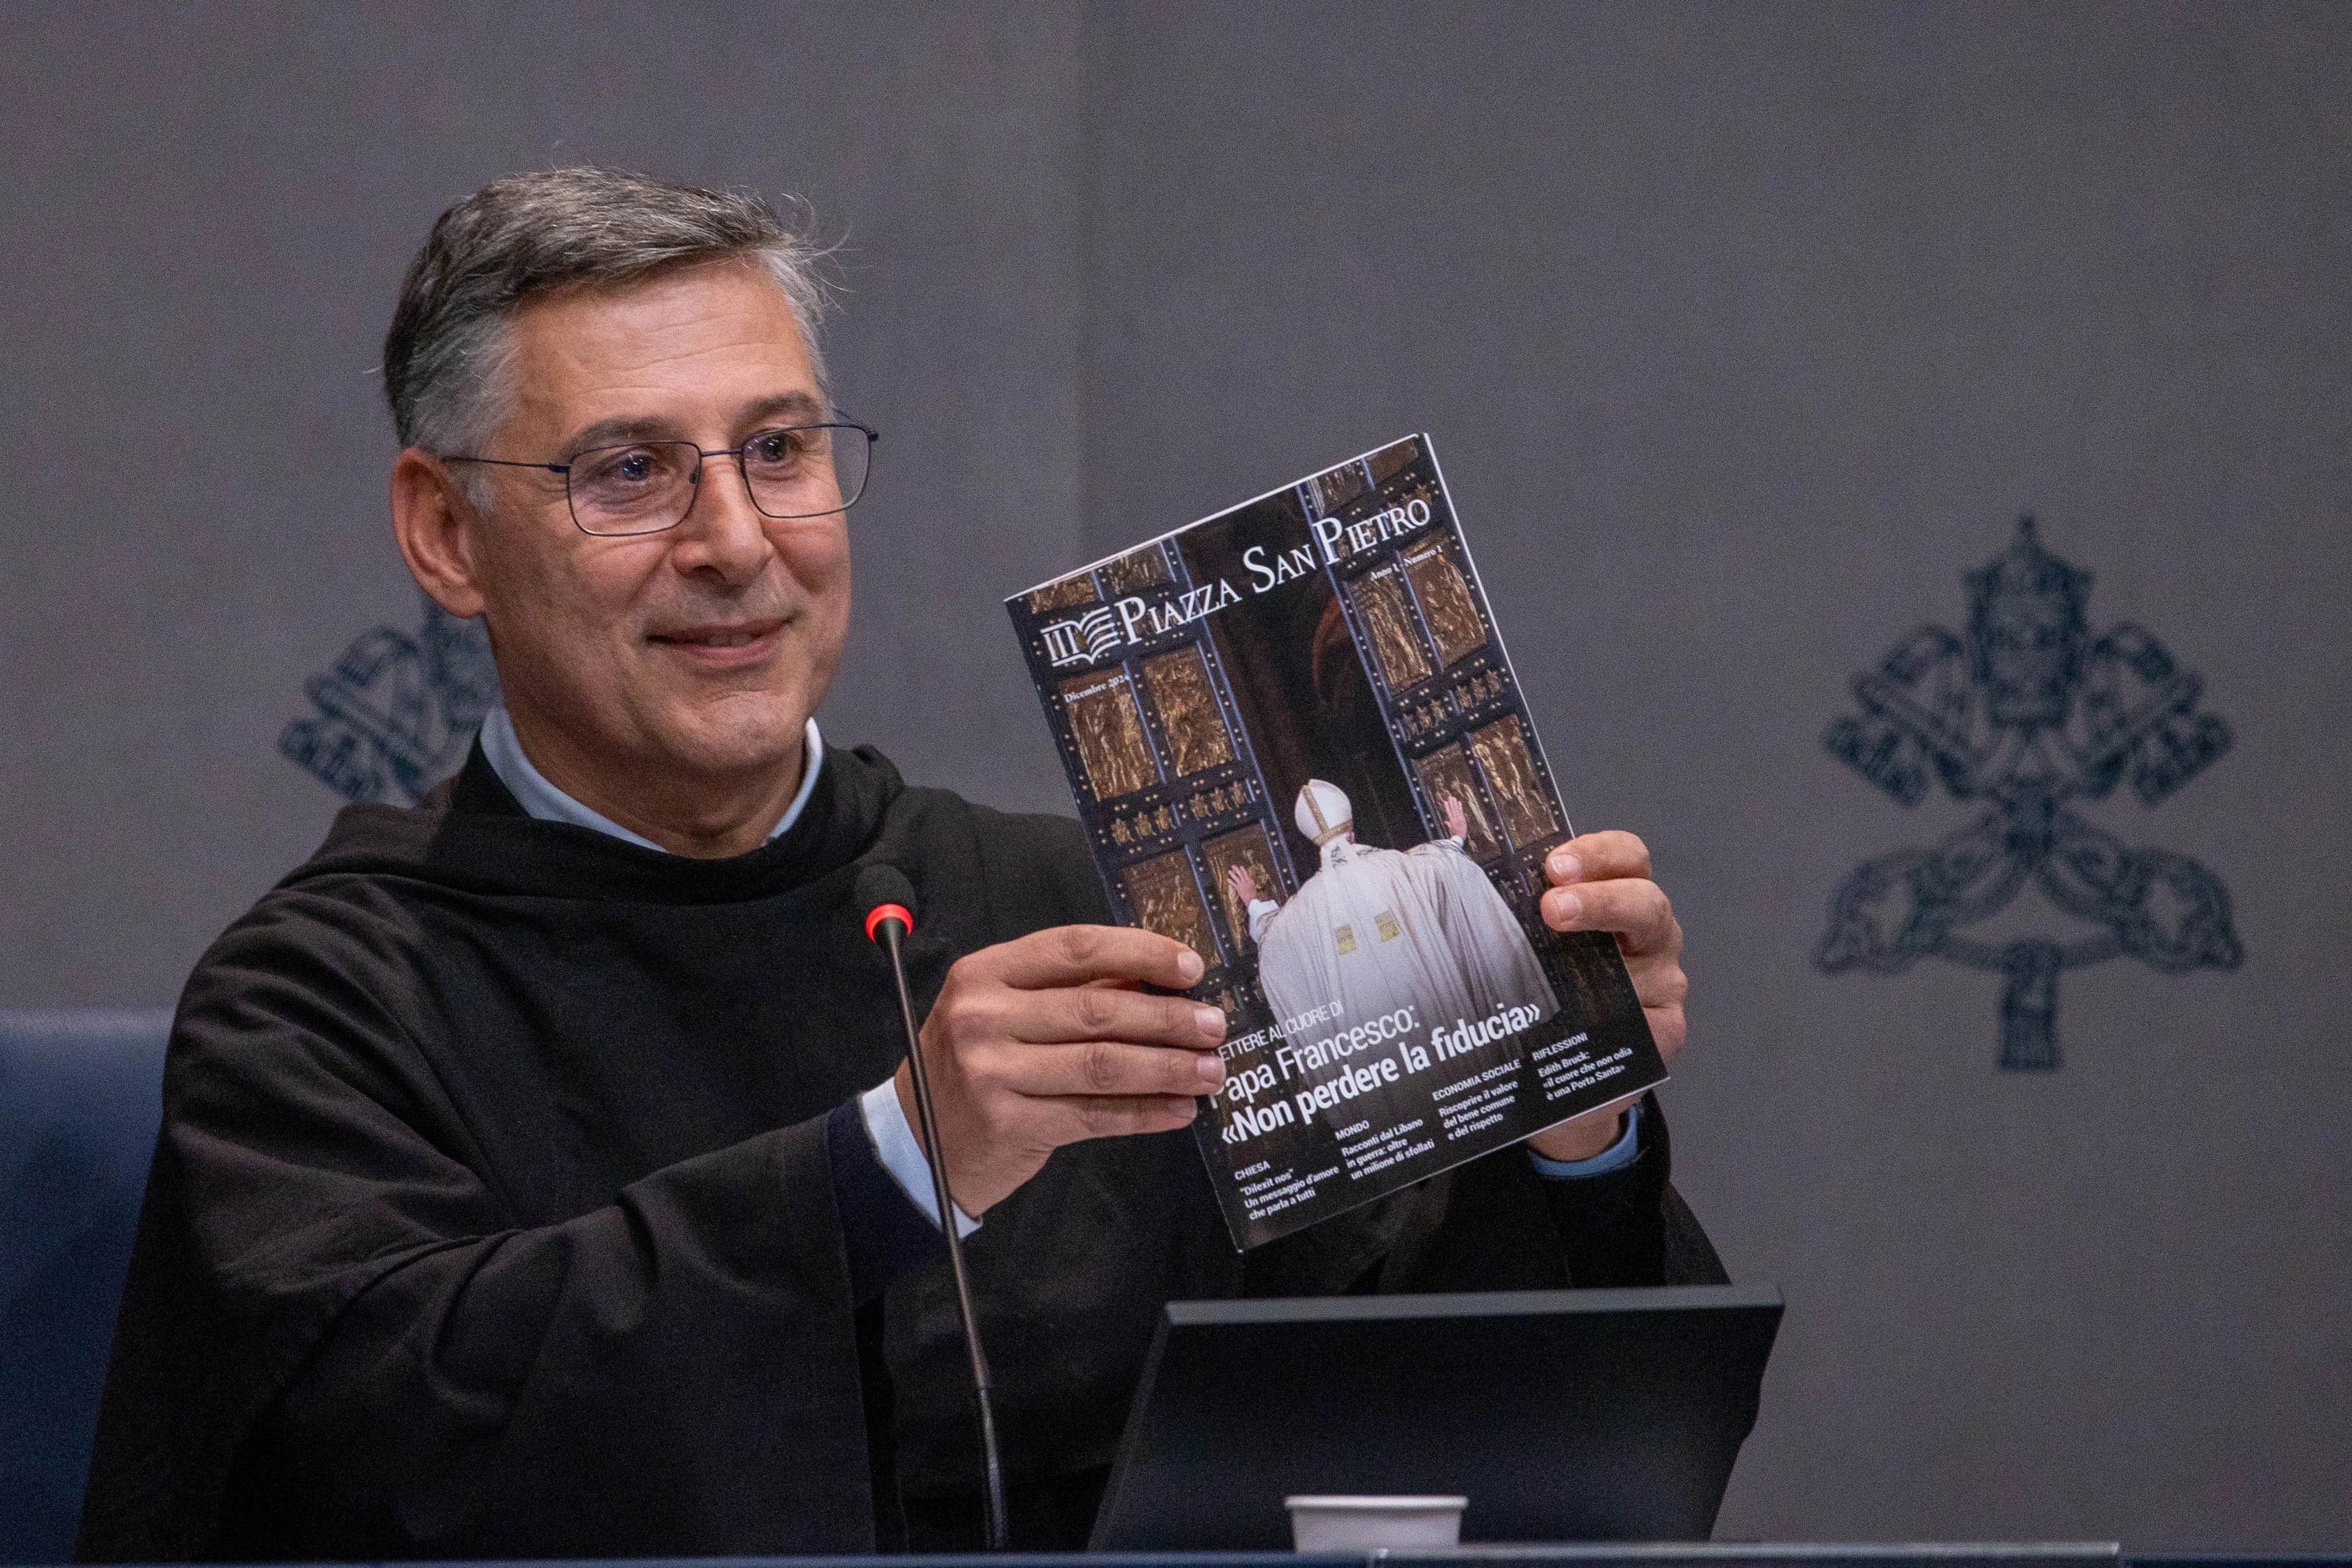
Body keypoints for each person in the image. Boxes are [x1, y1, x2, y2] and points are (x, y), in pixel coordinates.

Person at [79, 168, 1720, 1562]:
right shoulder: (318, 1002)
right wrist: (885, 1168)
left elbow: (1446, 1440)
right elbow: (361, 1463)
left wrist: (1563, 1120)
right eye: (629, 472)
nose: (736, 542)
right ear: (446, 534)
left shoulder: (1086, 924)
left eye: (780, 449)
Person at [1232, 780, 1559, 1048]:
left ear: (1317, 848)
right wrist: (1457, 835)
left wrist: (1253, 903)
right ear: (1353, 835)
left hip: (1372, 1030)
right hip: (1427, 996)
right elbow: (1442, 866)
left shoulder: (1304, 906)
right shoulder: (1396, 865)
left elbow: (1274, 938)